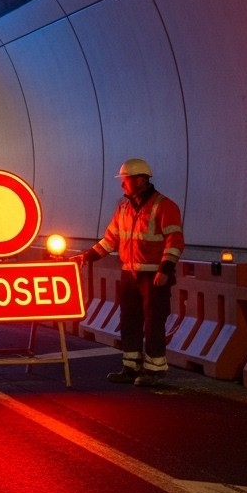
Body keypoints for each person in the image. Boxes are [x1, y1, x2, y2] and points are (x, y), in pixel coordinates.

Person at [78, 158, 184, 387]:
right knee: (129, 321)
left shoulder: (164, 206)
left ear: (140, 180)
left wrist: (165, 269)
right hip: (129, 274)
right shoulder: (123, 207)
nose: (122, 184)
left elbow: (174, 241)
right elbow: (110, 240)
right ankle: (131, 366)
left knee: (153, 323)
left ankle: (154, 369)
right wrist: (86, 257)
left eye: (125, 180)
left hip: (153, 276)